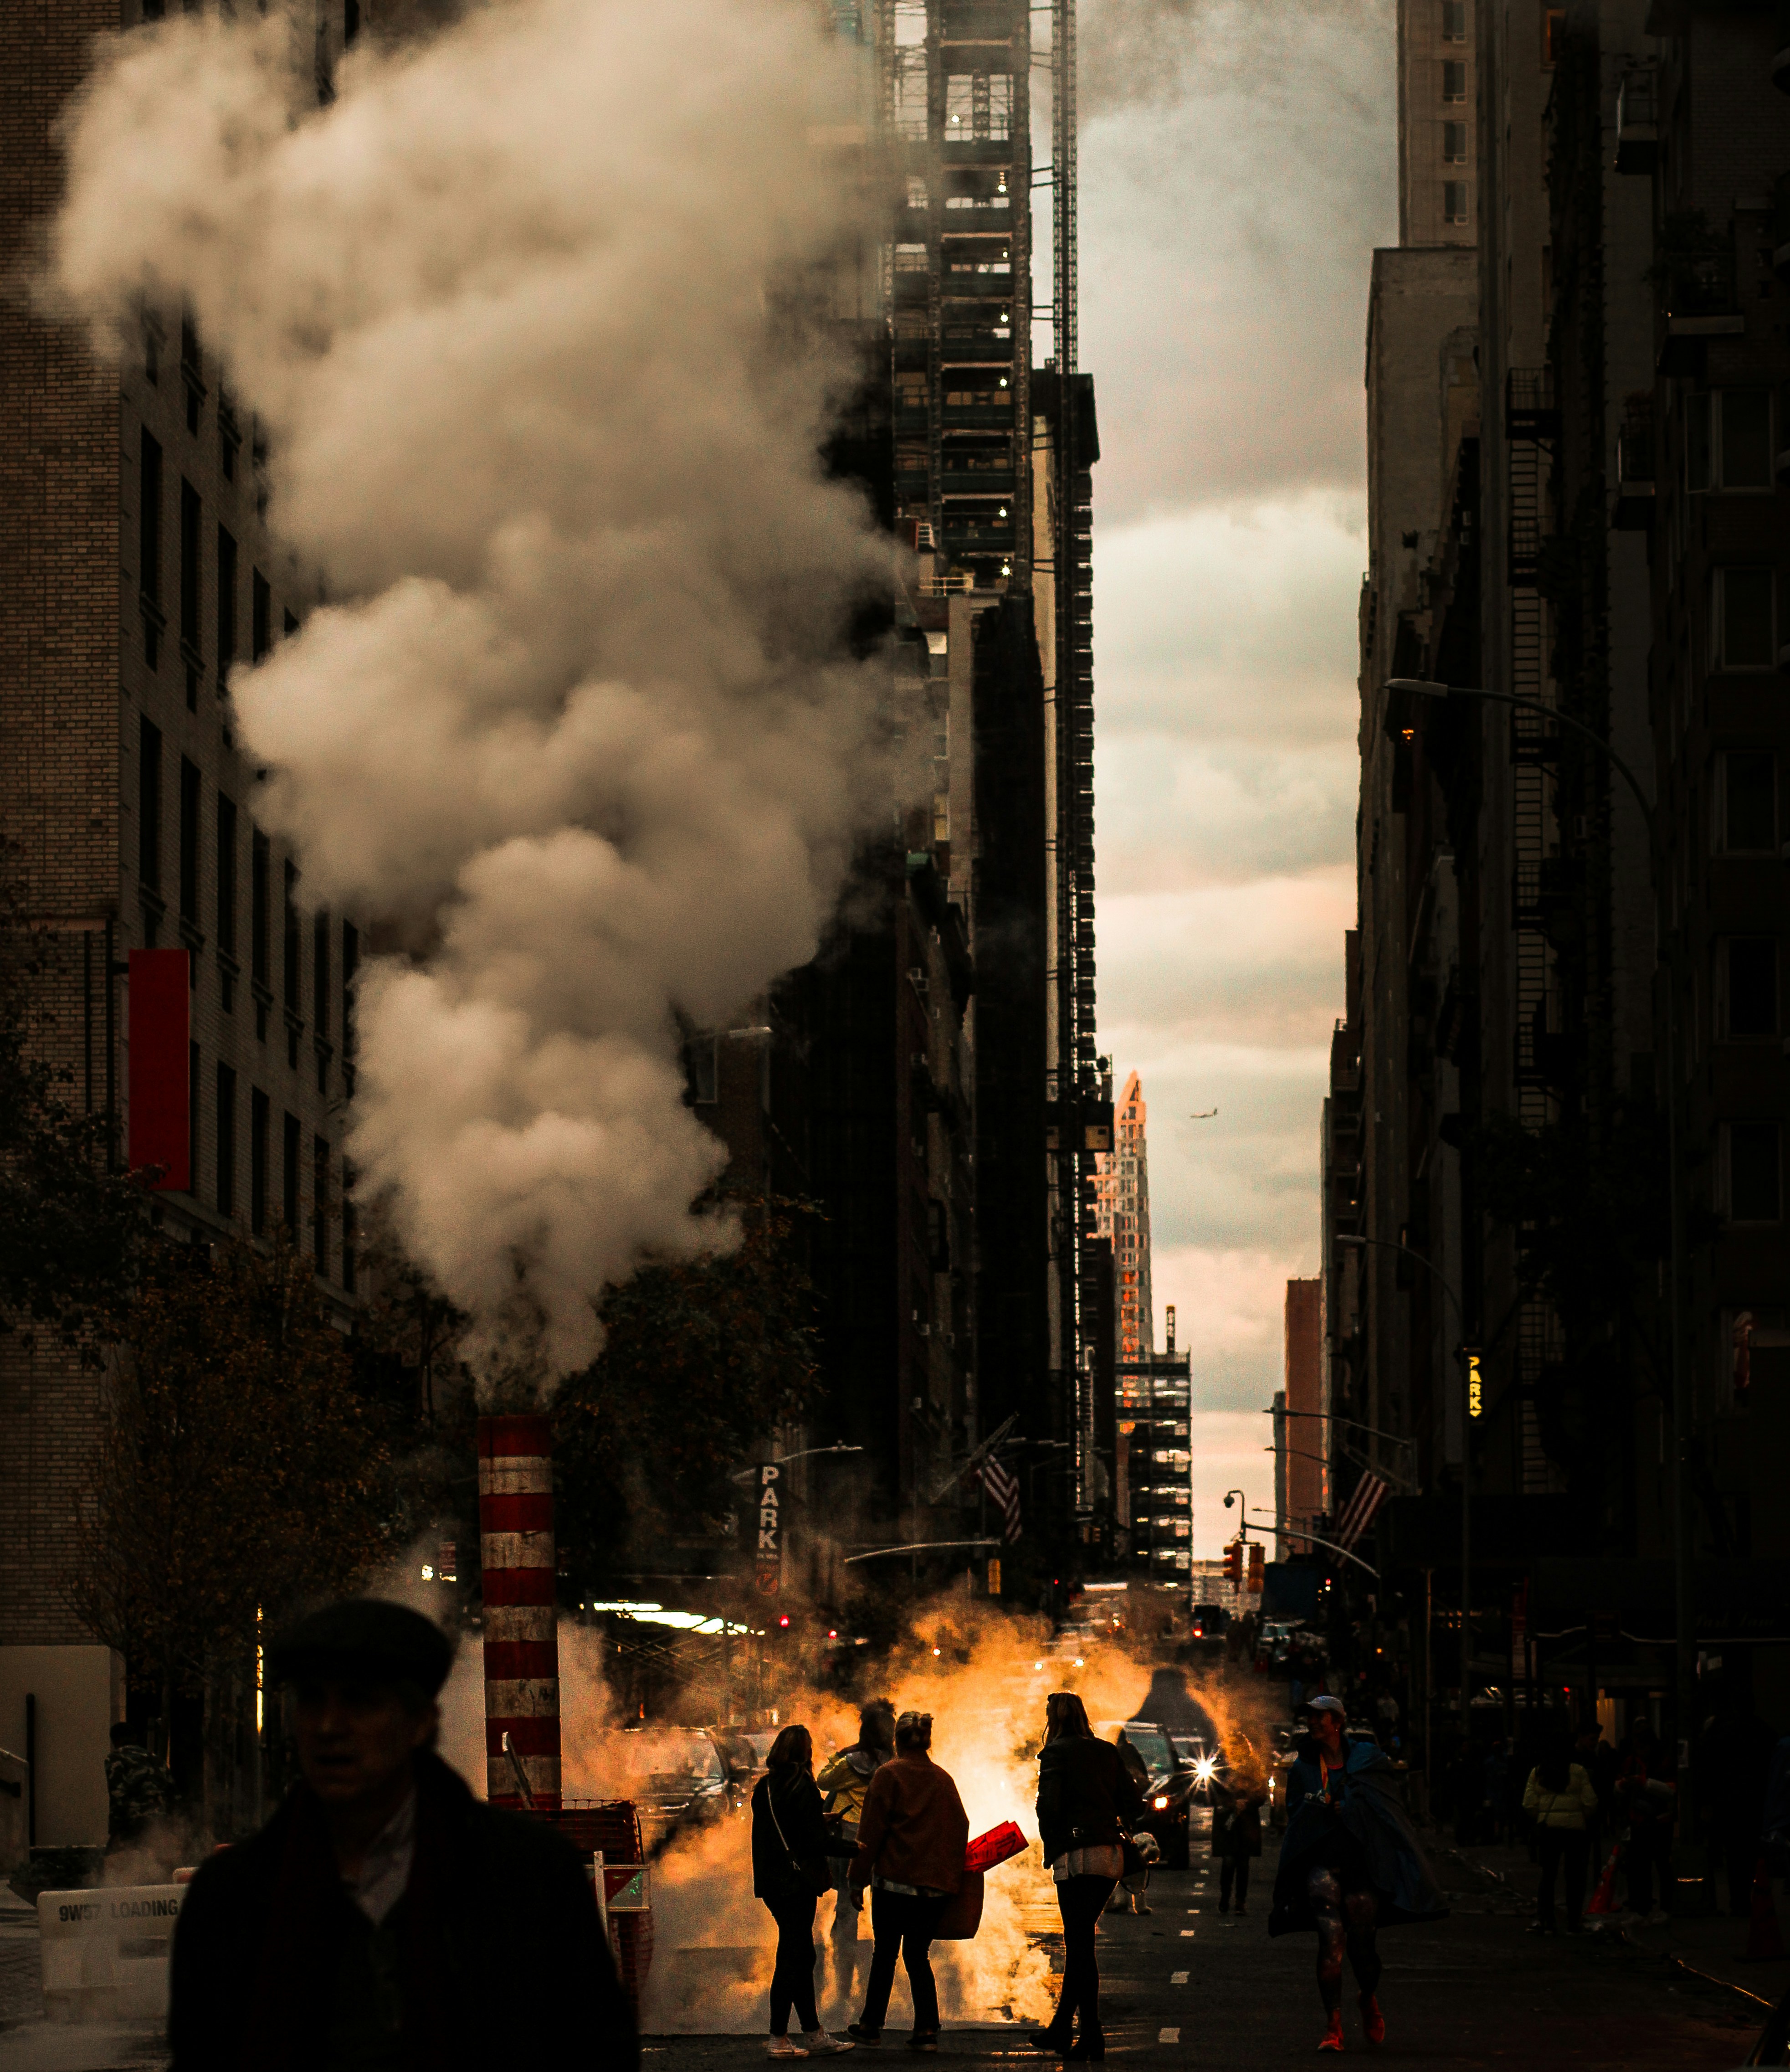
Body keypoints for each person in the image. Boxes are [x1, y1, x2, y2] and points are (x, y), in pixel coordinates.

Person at [168, 1597, 636, 2072]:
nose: (329, 1726)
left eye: (359, 1700)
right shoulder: (230, 1895)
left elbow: (597, 2050)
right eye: (312, 1698)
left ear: (420, 1722)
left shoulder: (529, 1875)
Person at [1269, 1695, 1446, 2054]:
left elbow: (1387, 1809)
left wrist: (1348, 1807)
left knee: (1363, 1947)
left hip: (1362, 1866)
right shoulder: (1304, 1767)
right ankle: (1332, 2026)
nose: (1313, 1723)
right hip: (1321, 1866)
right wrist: (1314, 1809)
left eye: (1320, 1717)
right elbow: (1295, 1816)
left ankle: (1367, 1998)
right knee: (1331, 1941)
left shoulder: (1367, 1761)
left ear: (1337, 1722)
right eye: (1310, 1717)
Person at [1030, 1692, 1145, 2061]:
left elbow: (1047, 1807)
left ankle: (1089, 2033)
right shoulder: (1106, 1751)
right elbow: (1135, 1804)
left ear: (1055, 1719)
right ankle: (1064, 2029)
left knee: (1080, 1947)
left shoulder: (1055, 1753)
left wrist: (1053, 1843)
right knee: (1081, 1945)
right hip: (1110, 1856)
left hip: (1077, 1858)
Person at [846, 1711, 968, 2053]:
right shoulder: (942, 1779)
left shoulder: (888, 1775)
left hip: (893, 1884)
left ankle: (871, 2025)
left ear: (897, 1740)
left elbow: (870, 1831)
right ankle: (927, 2028)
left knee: (884, 1953)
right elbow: (960, 1826)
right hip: (931, 1889)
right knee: (918, 1955)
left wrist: (857, 1880)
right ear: (927, 1740)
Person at [752, 1724, 853, 2059]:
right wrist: (855, 1848)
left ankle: (812, 2033)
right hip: (796, 1883)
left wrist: (817, 1819)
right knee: (792, 1959)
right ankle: (779, 2038)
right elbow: (814, 1842)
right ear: (804, 1753)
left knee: (800, 1954)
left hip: (771, 1883)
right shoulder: (804, 1786)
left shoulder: (764, 1787)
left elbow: (783, 1828)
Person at [818, 1701, 896, 1958]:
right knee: (882, 1899)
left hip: (848, 1836)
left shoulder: (850, 1762)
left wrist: (840, 1756)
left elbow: (824, 1780)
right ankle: (883, 1955)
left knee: (846, 1900)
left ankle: (844, 1958)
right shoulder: (895, 1763)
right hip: (884, 1837)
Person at [1522, 1736, 1599, 1934]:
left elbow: (1529, 1803)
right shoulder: (1578, 1772)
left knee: (1548, 1876)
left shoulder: (1539, 1772)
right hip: (1575, 1832)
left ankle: (1547, 1919)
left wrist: (1541, 1817)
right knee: (1575, 1877)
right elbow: (1591, 1802)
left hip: (1549, 1830)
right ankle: (1574, 1922)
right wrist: (1580, 1817)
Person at [1616, 1719, 1677, 1926]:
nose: (1640, 1751)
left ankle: (1662, 1907)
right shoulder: (1633, 1762)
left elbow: (1671, 1790)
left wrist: (1644, 1784)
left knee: (1660, 1865)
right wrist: (1623, 1785)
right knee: (1639, 1866)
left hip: (1659, 1820)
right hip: (1640, 1819)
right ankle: (1643, 1908)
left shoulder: (1662, 1762)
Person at [1210, 1744, 1266, 1918]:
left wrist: (1247, 1802)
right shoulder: (1221, 1767)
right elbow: (1213, 1792)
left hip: (1247, 1823)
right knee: (1228, 1861)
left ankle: (1240, 1902)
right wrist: (1231, 1803)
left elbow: (1261, 1794)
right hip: (1228, 1822)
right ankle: (1225, 1897)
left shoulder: (1253, 1768)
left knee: (1243, 1863)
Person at [104, 1723, 176, 1854]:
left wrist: (116, 1830)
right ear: (135, 1738)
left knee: (123, 1864)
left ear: (115, 1740)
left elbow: (117, 1795)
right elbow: (173, 1793)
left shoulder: (116, 1758)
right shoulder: (156, 1759)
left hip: (135, 1823)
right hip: (160, 1822)